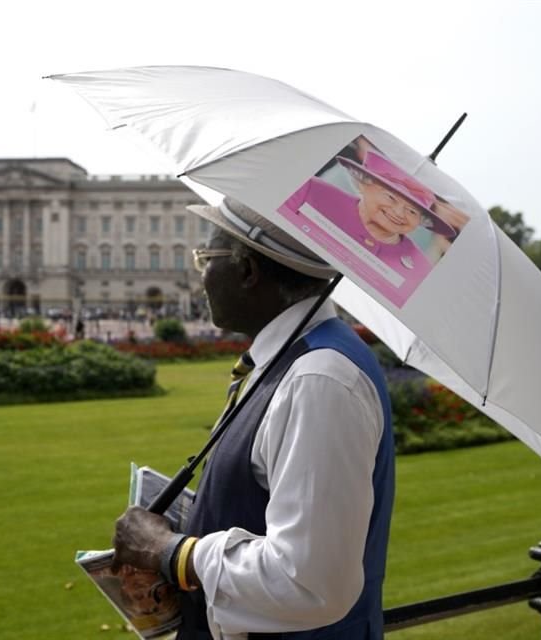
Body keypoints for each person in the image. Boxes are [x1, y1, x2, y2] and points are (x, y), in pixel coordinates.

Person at [112, 197, 395, 639]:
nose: (201, 275)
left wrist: (167, 551)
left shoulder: (317, 379)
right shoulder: (295, 361)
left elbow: (308, 583)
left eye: (206, 258)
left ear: (246, 270)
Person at [279, 150, 459, 306]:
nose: (398, 213)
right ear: (363, 184)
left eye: (412, 210)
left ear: (421, 220)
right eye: (390, 197)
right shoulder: (310, 193)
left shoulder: (419, 272)